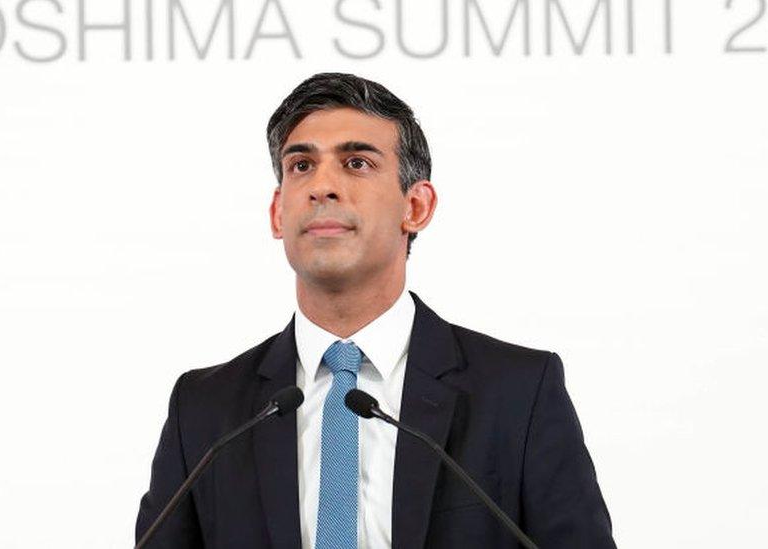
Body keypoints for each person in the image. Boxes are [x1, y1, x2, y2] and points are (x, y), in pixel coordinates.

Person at [134, 72, 616, 549]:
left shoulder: (519, 392)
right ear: (278, 213)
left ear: (416, 206)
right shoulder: (205, 409)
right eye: (301, 166)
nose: (322, 187)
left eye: (356, 163)